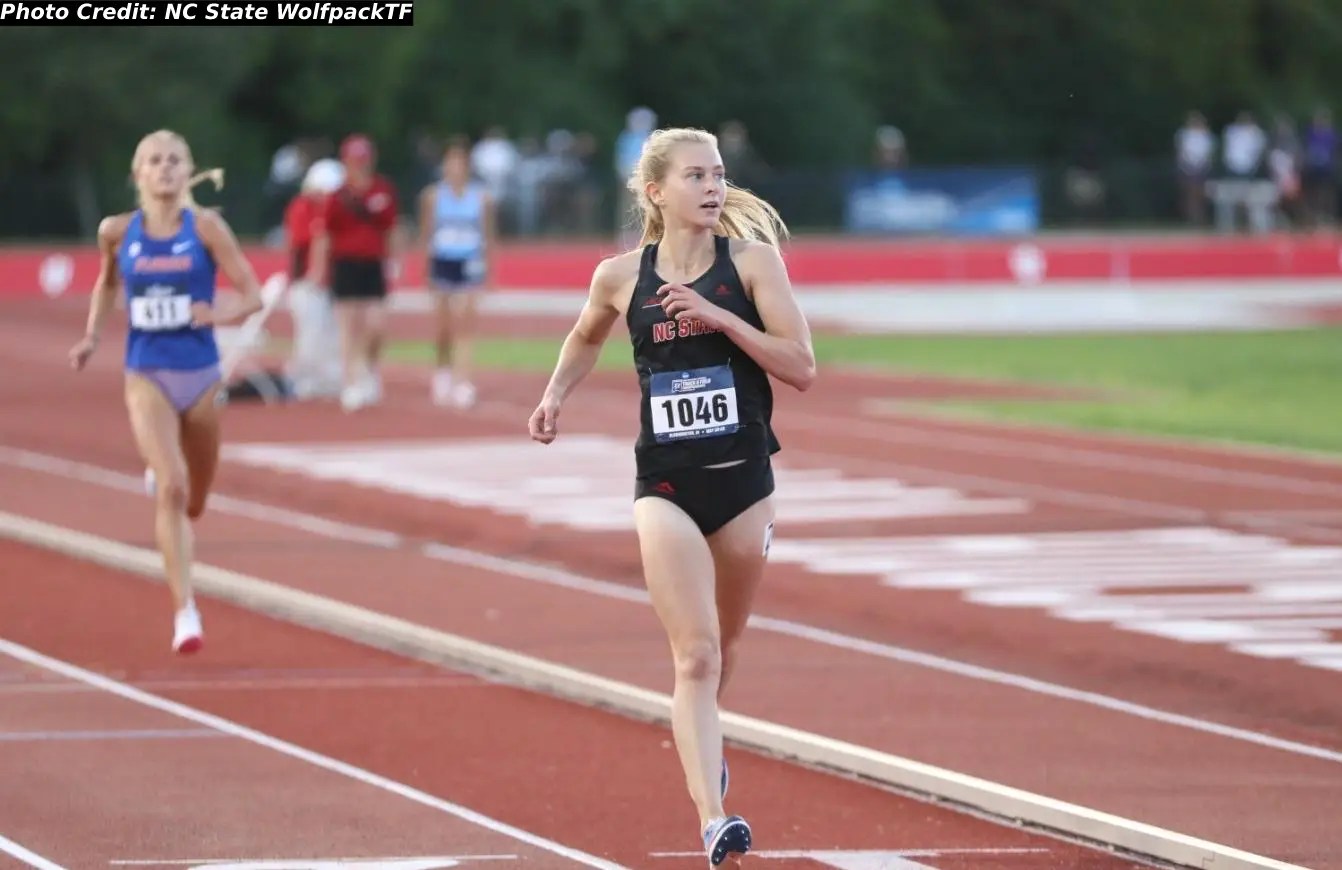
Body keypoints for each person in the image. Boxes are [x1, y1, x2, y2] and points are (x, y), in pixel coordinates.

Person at [527, 127, 815, 867]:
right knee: (694, 658)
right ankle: (714, 819)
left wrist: (722, 319)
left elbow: (802, 366)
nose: (713, 187)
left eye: (719, 174)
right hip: (665, 483)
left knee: (724, 647)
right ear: (657, 191)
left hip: (745, 481)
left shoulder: (752, 264)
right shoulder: (621, 276)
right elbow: (586, 335)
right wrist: (555, 394)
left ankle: (705, 738)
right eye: (696, 176)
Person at [67, 129, 264, 654]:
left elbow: (252, 294)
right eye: (154, 161)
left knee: (195, 502)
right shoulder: (116, 231)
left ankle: (170, 478)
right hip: (146, 372)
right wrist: (92, 334)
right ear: (138, 175)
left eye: (175, 160)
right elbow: (108, 283)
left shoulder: (206, 229)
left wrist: (217, 312)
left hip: (201, 374)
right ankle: (185, 612)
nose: (165, 168)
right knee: (173, 487)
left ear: (189, 170)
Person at [308, 133, 400, 412]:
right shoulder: (337, 196)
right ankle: (350, 383)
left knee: (375, 325)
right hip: (346, 263)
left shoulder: (383, 190)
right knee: (348, 326)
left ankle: (368, 369)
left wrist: (394, 260)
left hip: (372, 263)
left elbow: (391, 228)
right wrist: (319, 267)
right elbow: (324, 234)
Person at [417, 139, 496, 408]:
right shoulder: (433, 196)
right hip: (442, 261)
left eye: (460, 164)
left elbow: (487, 235)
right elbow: (426, 234)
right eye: (451, 163)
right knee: (443, 326)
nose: (456, 169)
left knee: (465, 325)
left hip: (469, 262)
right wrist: (426, 270)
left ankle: (463, 381)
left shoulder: (481, 197)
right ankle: (443, 373)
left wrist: (488, 270)